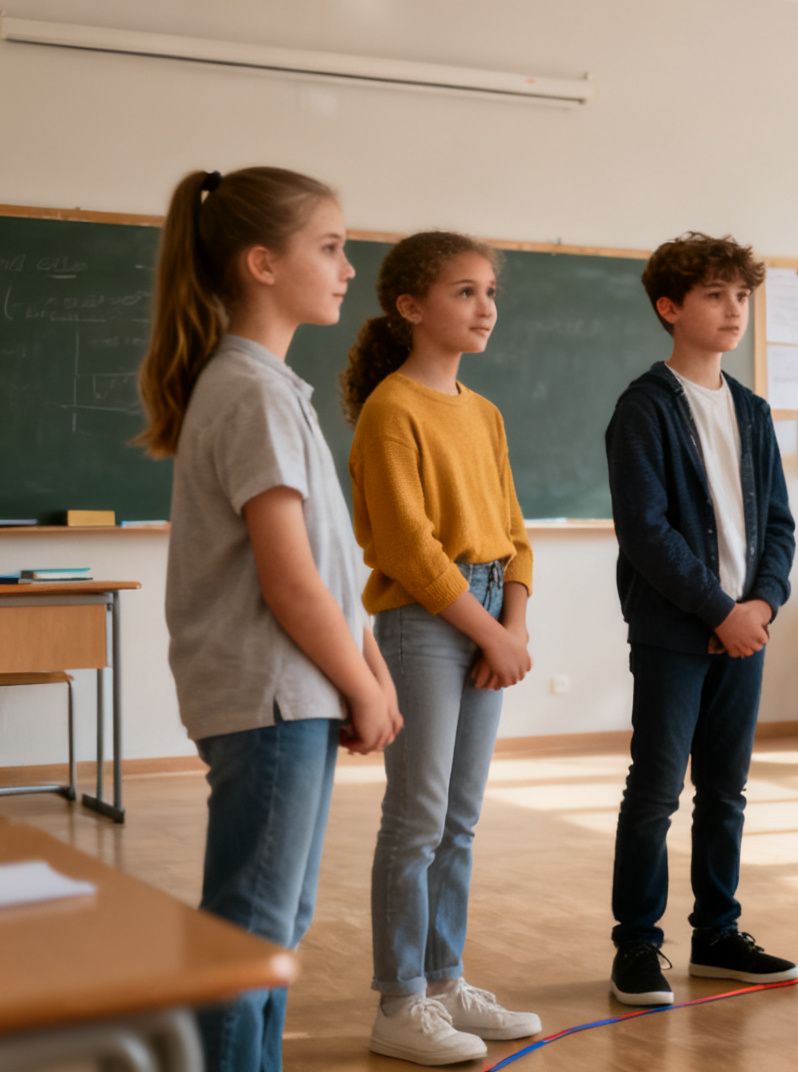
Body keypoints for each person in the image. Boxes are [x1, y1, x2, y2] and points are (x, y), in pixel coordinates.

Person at [138, 166, 402, 1071]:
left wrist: (370, 662)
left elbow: (326, 559)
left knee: (271, 925)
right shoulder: (248, 389)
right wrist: (361, 681)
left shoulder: (272, 386)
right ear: (260, 262)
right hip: (273, 696)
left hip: (289, 694)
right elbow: (290, 584)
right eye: (328, 246)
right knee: (250, 933)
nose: (345, 265)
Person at [343, 231, 542, 1064]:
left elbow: (515, 534)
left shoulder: (484, 412)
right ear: (411, 307)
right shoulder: (393, 409)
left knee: (460, 820)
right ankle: (401, 1002)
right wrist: (489, 629)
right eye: (465, 292)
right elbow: (409, 549)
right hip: (431, 623)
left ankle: (445, 978)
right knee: (417, 818)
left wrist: (515, 626)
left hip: (490, 616)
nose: (485, 307)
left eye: (490, 291)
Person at [607, 231, 797, 1006]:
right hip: (675, 633)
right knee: (656, 790)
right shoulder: (644, 408)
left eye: (742, 297)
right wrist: (720, 610)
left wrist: (762, 605)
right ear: (670, 307)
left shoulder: (751, 412)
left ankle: (717, 933)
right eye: (715, 296)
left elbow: (779, 525)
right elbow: (646, 532)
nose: (732, 311)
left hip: (744, 632)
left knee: (727, 789)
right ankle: (637, 947)